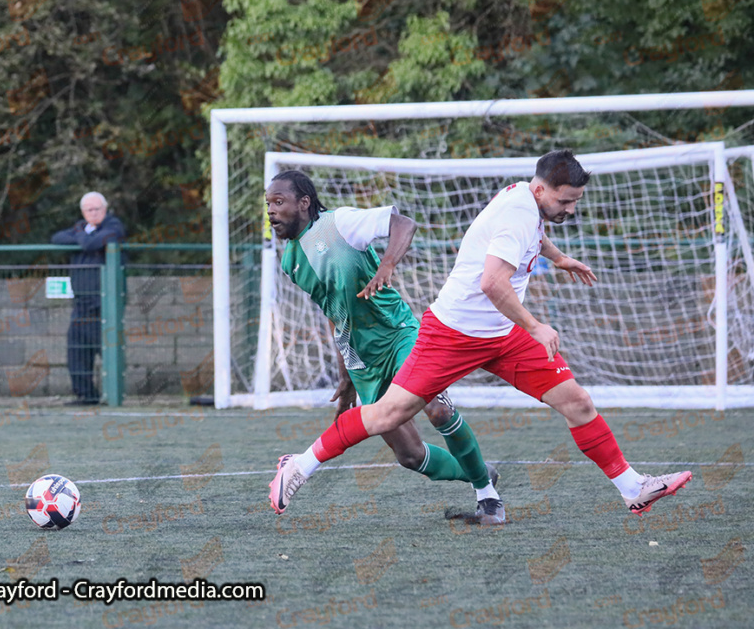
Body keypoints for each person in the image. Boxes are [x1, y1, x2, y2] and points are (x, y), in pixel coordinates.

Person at [270, 150, 692, 518]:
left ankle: (631, 488)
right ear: (543, 191)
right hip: (451, 334)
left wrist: (559, 258)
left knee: (577, 401)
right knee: (387, 416)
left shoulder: (521, 196)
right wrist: (537, 325)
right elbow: (493, 283)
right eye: (566, 201)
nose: (571, 210)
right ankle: (298, 466)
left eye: (575, 201)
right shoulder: (518, 214)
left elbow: (534, 237)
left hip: (500, 335)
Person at [266, 170, 503, 524]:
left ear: (303, 203)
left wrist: (387, 265)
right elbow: (333, 311)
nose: (271, 211)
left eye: (279, 202)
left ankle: (488, 498)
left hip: (399, 335)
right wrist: (344, 375)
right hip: (362, 361)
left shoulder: (339, 224)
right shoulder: (290, 262)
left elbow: (403, 224)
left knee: (437, 409)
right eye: (268, 204)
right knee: (409, 455)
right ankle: (477, 471)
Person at [51, 192, 126, 405]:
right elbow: (57, 238)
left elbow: (90, 244)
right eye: (88, 210)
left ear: (105, 208)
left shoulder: (114, 226)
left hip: (104, 302)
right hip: (81, 302)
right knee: (76, 348)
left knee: (107, 348)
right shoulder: (80, 227)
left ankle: (115, 395)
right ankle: (86, 395)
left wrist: (82, 236)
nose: (93, 214)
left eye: (96, 209)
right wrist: (83, 234)